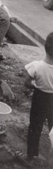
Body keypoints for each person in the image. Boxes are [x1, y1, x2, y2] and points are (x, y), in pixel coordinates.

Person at [24, 32, 53, 165]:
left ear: (45, 46)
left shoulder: (37, 66)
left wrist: (35, 85)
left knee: (35, 127)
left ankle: (31, 156)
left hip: (40, 98)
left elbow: (27, 83)